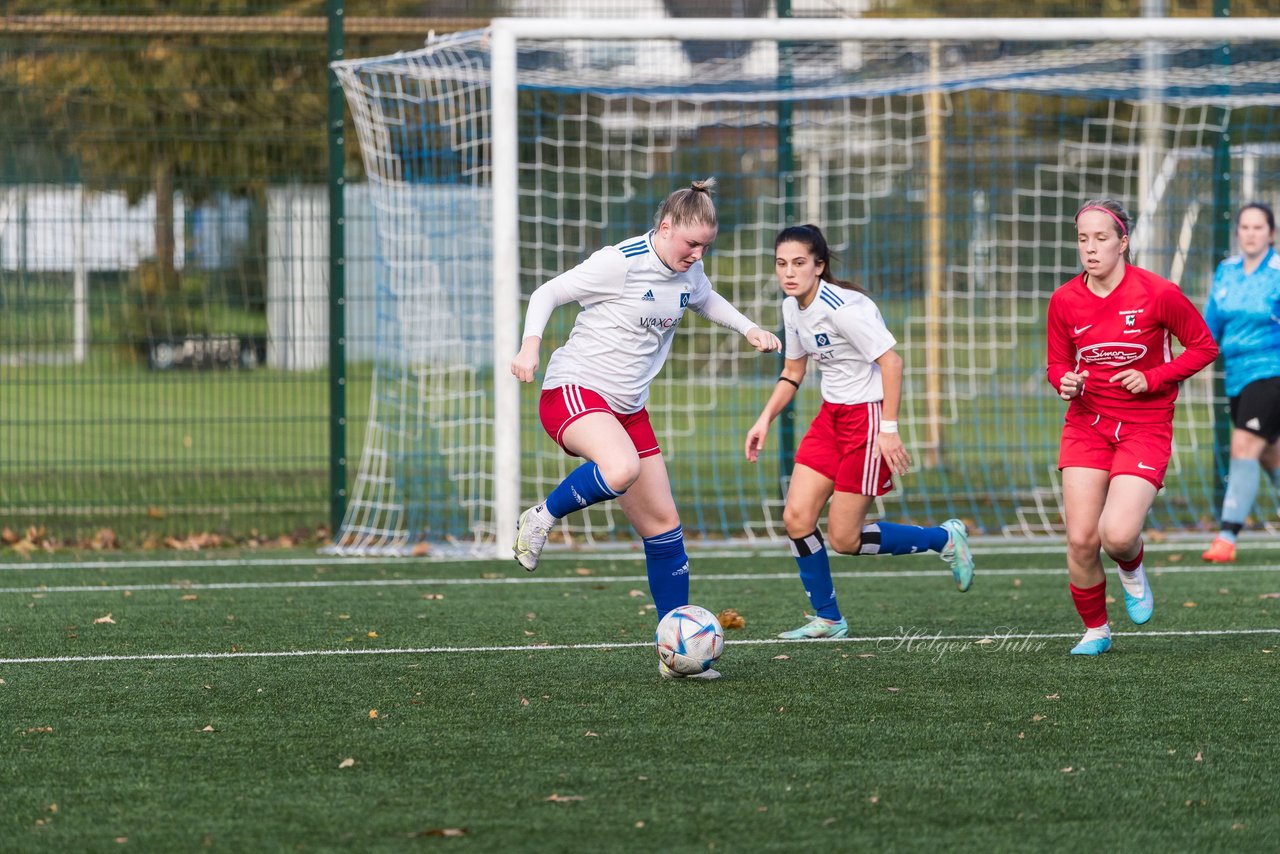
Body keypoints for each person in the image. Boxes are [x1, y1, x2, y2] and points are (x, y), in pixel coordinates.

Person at [509, 177, 781, 680]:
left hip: (629, 408)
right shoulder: (621, 261)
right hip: (575, 390)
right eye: (691, 244)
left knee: (664, 527)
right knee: (621, 467)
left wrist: (749, 328)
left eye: (705, 246)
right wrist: (529, 346)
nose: (697, 255)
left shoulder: (689, 271)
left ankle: (675, 653)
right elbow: (548, 292)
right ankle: (540, 517)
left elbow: (706, 298)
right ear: (665, 226)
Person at [743, 224, 975, 642]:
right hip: (831, 417)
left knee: (845, 539)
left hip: (868, 422)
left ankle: (944, 538)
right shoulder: (791, 308)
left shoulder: (845, 308)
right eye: (781, 264)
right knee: (796, 518)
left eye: (799, 263)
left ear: (819, 265)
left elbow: (893, 363)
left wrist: (889, 429)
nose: (789, 272)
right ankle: (829, 618)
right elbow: (793, 371)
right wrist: (764, 419)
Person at [1047, 199, 1218, 656]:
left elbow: (1203, 347)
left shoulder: (1159, 293)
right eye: (1083, 239)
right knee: (1082, 539)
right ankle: (1096, 630)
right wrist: (1064, 381)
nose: (1090, 248)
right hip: (1086, 424)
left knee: (1117, 535)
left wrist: (1152, 377)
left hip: (1145, 425)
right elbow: (1057, 364)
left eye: (1101, 238)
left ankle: (1131, 566)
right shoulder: (1064, 300)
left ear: (1123, 242)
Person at [1201, 203, 1280, 563]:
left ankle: (1227, 536)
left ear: (1271, 234)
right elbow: (1211, 325)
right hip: (1236, 376)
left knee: (1244, 444)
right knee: (1269, 454)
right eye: (1245, 227)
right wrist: (1187, 363)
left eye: (1258, 227)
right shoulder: (1227, 271)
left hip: (1271, 372)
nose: (1250, 233)